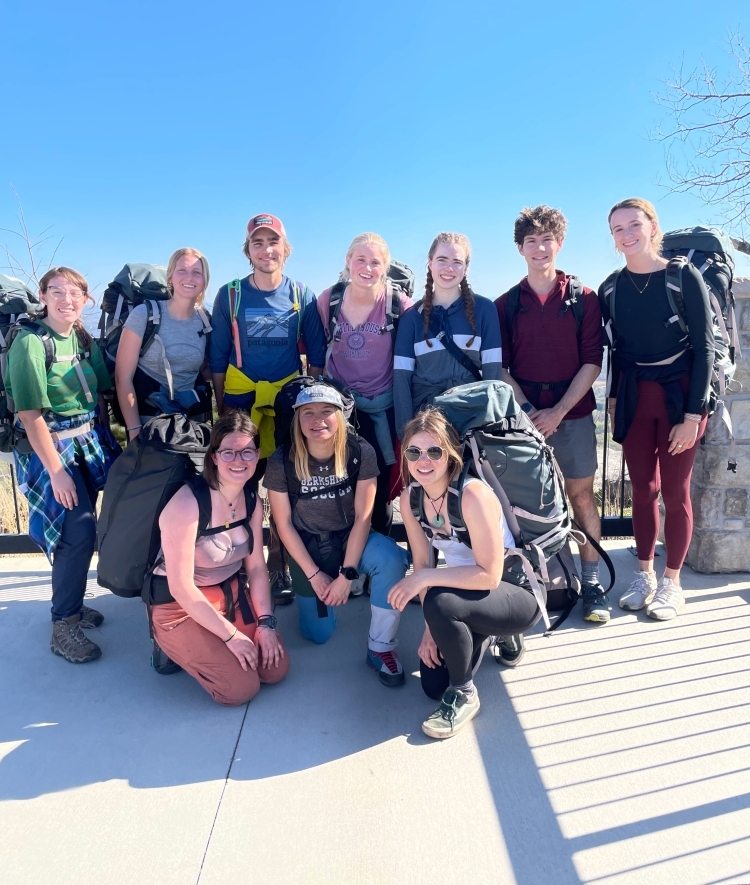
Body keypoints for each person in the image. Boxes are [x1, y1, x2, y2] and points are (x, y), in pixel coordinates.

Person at [388, 408, 543, 739]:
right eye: (414, 452)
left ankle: (464, 693)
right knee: (431, 684)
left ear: (451, 454)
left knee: (441, 602)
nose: (423, 460)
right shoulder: (410, 498)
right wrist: (432, 629)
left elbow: (488, 576)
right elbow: (423, 562)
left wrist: (427, 587)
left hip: (514, 592)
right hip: (469, 594)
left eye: (435, 451)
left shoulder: (472, 494)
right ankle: (486, 632)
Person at [602, 198, 713, 620]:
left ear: (652, 227)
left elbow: (703, 348)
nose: (627, 234)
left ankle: (672, 582)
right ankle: (644, 575)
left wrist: (692, 415)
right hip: (635, 395)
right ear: (612, 239)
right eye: (618, 229)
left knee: (675, 491)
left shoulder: (681, 276)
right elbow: (616, 351)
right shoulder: (612, 286)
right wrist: (613, 403)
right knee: (642, 490)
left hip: (679, 396)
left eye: (634, 225)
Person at [496, 206, 608, 623]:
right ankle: (543, 582)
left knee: (581, 497)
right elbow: (501, 369)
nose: (540, 248)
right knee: (528, 504)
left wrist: (558, 412)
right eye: (531, 241)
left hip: (574, 415)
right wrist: (528, 411)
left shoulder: (584, 299)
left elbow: (592, 362)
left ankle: (592, 581)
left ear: (559, 244)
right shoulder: (506, 305)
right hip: (524, 423)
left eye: (547, 240)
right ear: (520, 248)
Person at [209, 214, 327, 603]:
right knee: (236, 487)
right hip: (241, 403)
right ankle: (236, 565)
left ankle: (277, 569)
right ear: (248, 251)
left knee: (285, 489)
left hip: (287, 403)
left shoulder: (302, 295)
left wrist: (308, 411)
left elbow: (318, 361)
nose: (266, 250)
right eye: (257, 243)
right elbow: (217, 361)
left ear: (285, 249)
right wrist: (225, 413)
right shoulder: (230, 295)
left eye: (272, 242)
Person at [5, 267, 119, 663]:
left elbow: (100, 392)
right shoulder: (31, 343)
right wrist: (56, 472)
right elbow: (30, 413)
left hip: (87, 444)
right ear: (43, 295)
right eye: (57, 291)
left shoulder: (81, 339)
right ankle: (63, 624)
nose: (67, 299)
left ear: (86, 299)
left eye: (75, 293)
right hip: (52, 452)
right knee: (77, 531)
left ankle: (70, 605)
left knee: (82, 530)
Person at [265, 383, 409, 687]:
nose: (318, 419)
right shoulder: (282, 461)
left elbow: (363, 518)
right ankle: (319, 600)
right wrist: (316, 575)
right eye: (309, 413)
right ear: (297, 420)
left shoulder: (360, 451)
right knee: (319, 635)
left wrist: (347, 576)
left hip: (349, 540)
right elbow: (284, 525)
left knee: (391, 558)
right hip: (309, 547)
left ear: (341, 416)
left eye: (326, 411)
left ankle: (380, 648)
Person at [150, 410, 290, 705]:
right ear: (213, 456)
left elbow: (256, 570)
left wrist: (266, 623)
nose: (239, 461)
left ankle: (216, 641)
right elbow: (181, 588)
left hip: (231, 595)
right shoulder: (188, 504)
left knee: (275, 669)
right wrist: (231, 637)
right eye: (229, 452)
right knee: (239, 689)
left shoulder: (252, 499)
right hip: (179, 608)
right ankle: (168, 644)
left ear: (257, 455)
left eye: (247, 452)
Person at [318, 233, 414, 535]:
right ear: (348, 261)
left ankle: (379, 555)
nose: (367, 268)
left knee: (381, 486)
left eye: (375, 262)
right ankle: (344, 560)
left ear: (385, 267)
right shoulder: (329, 300)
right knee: (338, 482)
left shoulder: (399, 305)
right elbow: (314, 351)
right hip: (340, 408)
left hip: (382, 407)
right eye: (360, 259)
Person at [393, 232, 502, 439]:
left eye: (457, 262)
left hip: (471, 419)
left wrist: (490, 430)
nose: (449, 268)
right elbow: (401, 380)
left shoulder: (485, 310)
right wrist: (405, 432)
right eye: (442, 260)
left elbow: (493, 376)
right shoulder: (411, 318)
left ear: (466, 268)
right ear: (430, 263)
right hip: (424, 421)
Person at [116, 248, 212, 441]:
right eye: (182, 270)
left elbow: (204, 370)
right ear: (170, 277)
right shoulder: (145, 315)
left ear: (204, 281)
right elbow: (122, 377)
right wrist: (134, 430)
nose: (189, 277)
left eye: (197, 273)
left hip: (191, 422)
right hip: (148, 420)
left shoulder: (205, 321)